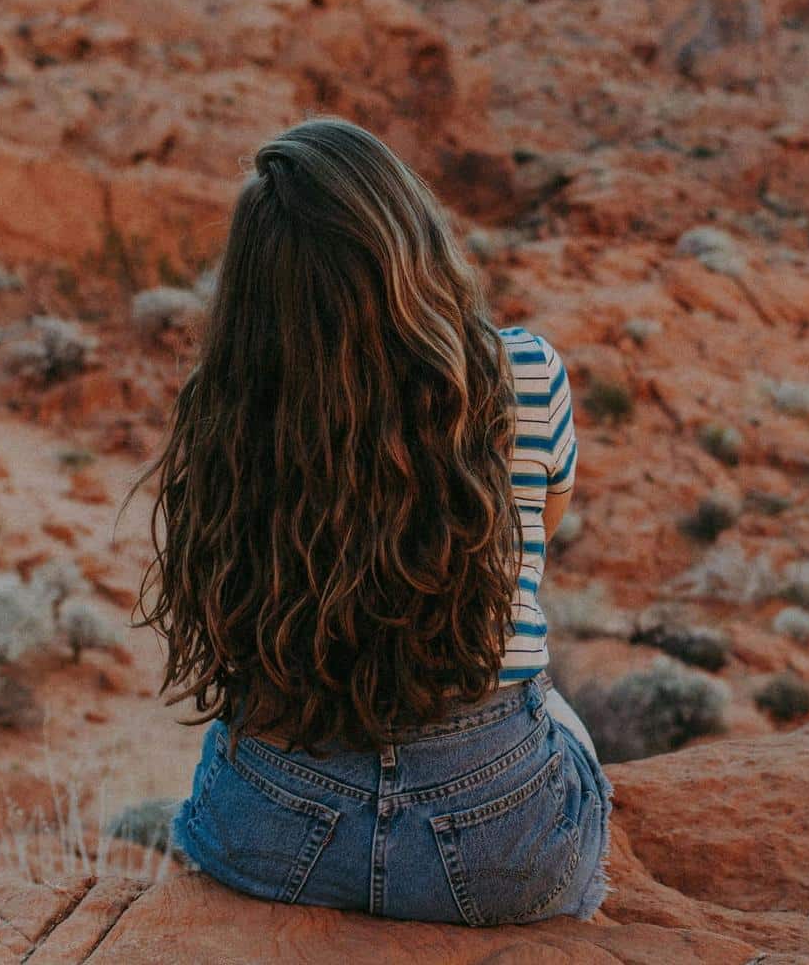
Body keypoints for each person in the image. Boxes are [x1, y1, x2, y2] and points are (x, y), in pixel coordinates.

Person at [127, 115, 611, 926]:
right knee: (562, 717)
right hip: (499, 838)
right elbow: (535, 536)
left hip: (276, 827)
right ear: (412, 240)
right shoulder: (523, 370)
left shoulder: (231, 406)